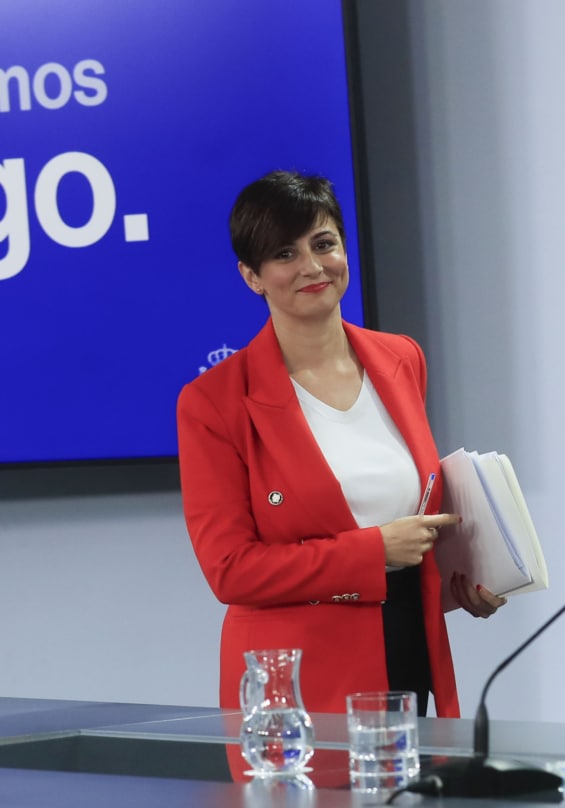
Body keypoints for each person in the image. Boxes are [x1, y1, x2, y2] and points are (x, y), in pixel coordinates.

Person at [177, 170, 506, 718]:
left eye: (323, 243)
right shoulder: (213, 401)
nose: (311, 266)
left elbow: (410, 510)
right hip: (298, 683)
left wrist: (461, 581)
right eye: (285, 253)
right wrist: (372, 551)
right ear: (252, 276)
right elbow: (230, 568)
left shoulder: (401, 357)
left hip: (410, 651)